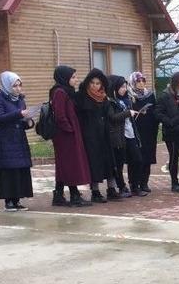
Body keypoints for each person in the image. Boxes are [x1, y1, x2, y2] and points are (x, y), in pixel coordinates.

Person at [77, 69, 129, 203]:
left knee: (109, 162)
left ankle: (111, 189)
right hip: (90, 135)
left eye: (98, 83)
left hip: (105, 134)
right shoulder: (83, 98)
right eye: (92, 83)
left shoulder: (104, 97)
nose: (95, 86)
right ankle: (95, 191)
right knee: (94, 163)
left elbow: (108, 116)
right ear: (88, 84)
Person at [0, 71, 34, 211]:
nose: (18, 88)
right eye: (14, 86)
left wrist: (28, 121)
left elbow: (22, 119)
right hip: (6, 139)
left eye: (19, 85)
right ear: (6, 85)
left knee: (20, 169)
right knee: (9, 170)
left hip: (19, 138)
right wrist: (19, 114)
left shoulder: (20, 100)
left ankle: (17, 199)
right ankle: (8, 200)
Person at [50, 66, 92, 207]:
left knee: (64, 165)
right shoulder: (60, 92)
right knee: (71, 164)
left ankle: (58, 194)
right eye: (73, 77)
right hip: (65, 136)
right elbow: (60, 115)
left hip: (69, 133)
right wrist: (70, 130)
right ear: (64, 77)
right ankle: (74, 195)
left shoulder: (65, 91)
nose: (75, 80)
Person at [156, 72, 179, 193]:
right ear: (178, 82)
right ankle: (174, 182)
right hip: (172, 133)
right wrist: (170, 122)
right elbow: (158, 113)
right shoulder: (165, 96)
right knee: (174, 158)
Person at [108, 75, 144, 197]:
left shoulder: (127, 100)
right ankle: (121, 187)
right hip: (119, 135)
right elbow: (112, 117)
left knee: (137, 160)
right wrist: (128, 113)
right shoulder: (111, 101)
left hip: (130, 133)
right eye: (121, 87)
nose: (124, 89)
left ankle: (135, 185)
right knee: (119, 163)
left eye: (125, 86)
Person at [128, 71, 157, 194]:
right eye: (138, 81)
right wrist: (138, 113)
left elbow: (155, 109)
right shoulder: (130, 95)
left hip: (149, 130)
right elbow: (128, 112)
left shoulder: (150, 95)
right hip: (136, 130)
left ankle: (144, 182)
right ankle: (134, 183)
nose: (141, 83)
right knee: (136, 158)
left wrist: (149, 113)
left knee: (147, 156)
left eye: (143, 81)